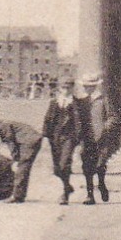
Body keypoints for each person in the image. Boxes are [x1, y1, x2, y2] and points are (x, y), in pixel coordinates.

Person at [0, 113, 42, 202]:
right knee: (22, 167)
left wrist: (15, 159)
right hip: (30, 140)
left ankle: (17, 197)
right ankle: (19, 194)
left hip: (28, 141)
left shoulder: (3, 127)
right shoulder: (4, 124)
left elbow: (11, 144)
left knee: (22, 167)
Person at [41, 77, 84, 205]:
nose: (66, 90)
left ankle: (65, 195)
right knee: (56, 169)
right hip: (55, 138)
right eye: (64, 87)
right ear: (60, 88)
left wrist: (79, 140)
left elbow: (80, 123)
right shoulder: (54, 102)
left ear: (72, 88)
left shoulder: (77, 103)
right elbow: (47, 120)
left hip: (69, 138)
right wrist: (45, 137)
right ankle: (68, 186)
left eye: (68, 87)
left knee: (64, 164)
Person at [76, 71, 117, 204]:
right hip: (86, 138)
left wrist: (105, 127)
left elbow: (113, 117)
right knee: (87, 166)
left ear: (95, 86)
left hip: (102, 138)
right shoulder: (81, 101)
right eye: (86, 85)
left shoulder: (103, 99)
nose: (88, 88)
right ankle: (90, 195)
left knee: (100, 164)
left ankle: (101, 184)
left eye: (90, 85)